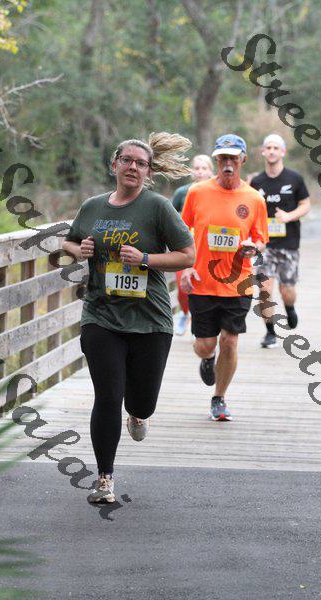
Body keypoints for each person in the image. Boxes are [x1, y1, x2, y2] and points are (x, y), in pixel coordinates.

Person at [62, 133, 195, 503]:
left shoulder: (157, 207)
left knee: (141, 401)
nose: (133, 167)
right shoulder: (92, 207)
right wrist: (79, 249)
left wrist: (146, 259)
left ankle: (138, 414)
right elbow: (69, 242)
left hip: (150, 319)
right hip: (101, 314)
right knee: (107, 396)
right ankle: (104, 479)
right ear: (114, 165)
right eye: (127, 160)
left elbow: (188, 255)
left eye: (141, 163)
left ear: (148, 172)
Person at [181, 134, 268, 421]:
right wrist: (186, 267)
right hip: (203, 281)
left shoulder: (254, 198)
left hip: (238, 282)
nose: (227, 164)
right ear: (216, 160)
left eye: (233, 158)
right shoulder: (197, 192)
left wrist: (254, 247)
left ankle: (219, 397)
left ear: (243, 160)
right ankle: (207, 359)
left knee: (230, 341)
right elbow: (181, 232)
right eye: (222, 158)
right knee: (205, 345)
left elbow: (261, 238)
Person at [250, 134, 311, 349]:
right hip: (265, 245)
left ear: (283, 152)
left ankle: (290, 307)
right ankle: (270, 332)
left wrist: (289, 216)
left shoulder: (294, 178)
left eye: (276, 147)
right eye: (268, 147)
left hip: (289, 243)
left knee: (287, 290)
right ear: (263, 152)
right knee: (264, 289)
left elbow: (306, 204)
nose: (272, 151)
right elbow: (250, 210)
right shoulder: (257, 182)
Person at [171, 155, 214, 335]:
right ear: (191, 171)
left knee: (204, 286)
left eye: (204, 168)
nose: (200, 172)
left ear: (211, 171)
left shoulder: (216, 192)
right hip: (185, 246)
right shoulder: (182, 192)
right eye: (197, 168)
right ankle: (184, 312)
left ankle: (202, 322)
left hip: (208, 248)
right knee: (182, 287)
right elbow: (170, 216)